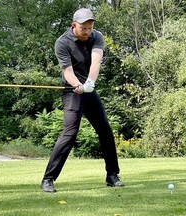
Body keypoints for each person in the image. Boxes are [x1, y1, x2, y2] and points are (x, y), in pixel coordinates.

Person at [40, 8, 124, 193]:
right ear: (74, 25)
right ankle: (48, 179)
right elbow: (67, 72)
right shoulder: (62, 42)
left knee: (105, 132)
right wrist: (78, 85)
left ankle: (112, 176)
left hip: (89, 89)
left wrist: (89, 84)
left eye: (90, 27)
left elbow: (96, 62)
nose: (87, 32)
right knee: (70, 133)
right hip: (72, 91)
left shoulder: (97, 36)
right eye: (84, 28)